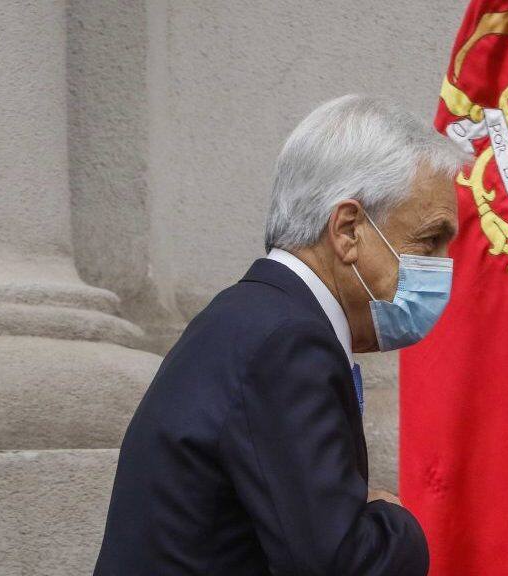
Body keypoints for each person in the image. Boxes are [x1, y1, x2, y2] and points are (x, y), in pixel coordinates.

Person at [93, 94, 469, 575]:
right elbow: (343, 565)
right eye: (428, 241)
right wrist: (394, 519)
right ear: (348, 230)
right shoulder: (287, 343)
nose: (440, 268)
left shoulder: (256, 317)